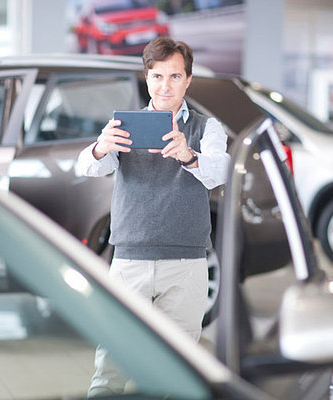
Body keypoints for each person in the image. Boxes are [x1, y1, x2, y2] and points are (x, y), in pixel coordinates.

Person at [75, 36, 230, 396]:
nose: (166, 85)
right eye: (158, 76)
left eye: (175, 77)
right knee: (110, 366)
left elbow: (220, 170)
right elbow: (87, 166)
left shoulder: (206, 129)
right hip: (129, 261)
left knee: (178, 369)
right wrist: (102, 146)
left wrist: (189, 156)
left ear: (188, 80)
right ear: (147, 78)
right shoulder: (124, 125)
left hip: (187, 264)